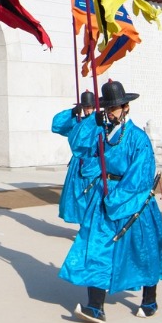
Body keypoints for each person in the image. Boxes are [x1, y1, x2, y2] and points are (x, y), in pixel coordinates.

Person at [59, 81, 162, 322]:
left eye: (115, 108)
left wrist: (117, 200)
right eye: (107, 109)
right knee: (95, 246)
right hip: (103, 194)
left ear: (126, 107)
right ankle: (95, 306)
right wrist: (91, 123)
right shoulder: (102, 132)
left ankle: (149, 298)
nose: (110, 113)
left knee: (141, 250)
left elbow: (141, 175)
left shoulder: (138, 138)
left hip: (132, 199)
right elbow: (78, 146)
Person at [52, 90, 103, 224]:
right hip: (77, 164)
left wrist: (96, 119)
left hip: (94, 163)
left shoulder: (100, 123)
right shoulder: (77, 122)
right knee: (77, 197)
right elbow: (56, 126)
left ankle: (90, 226)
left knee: (92, 196)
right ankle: (83, 225)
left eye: (90, 107)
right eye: (85, 108)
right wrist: (72, 112)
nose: (87, 111)